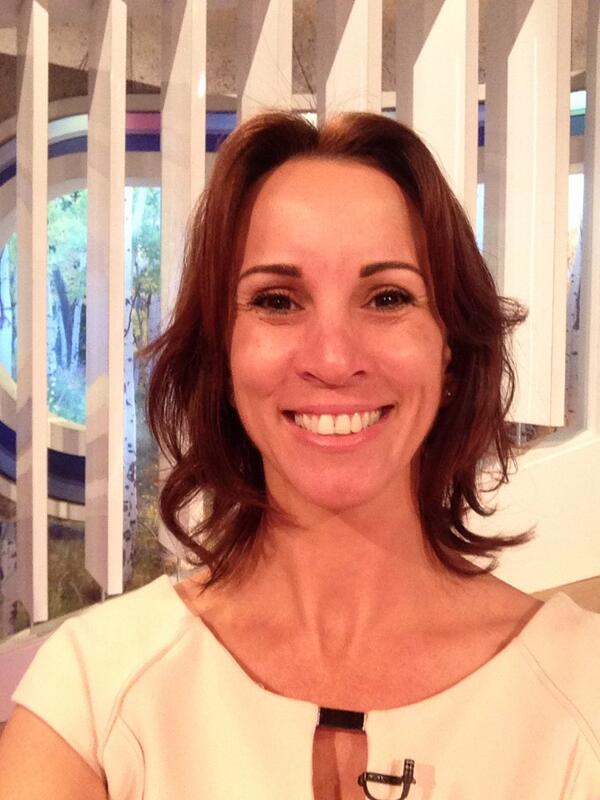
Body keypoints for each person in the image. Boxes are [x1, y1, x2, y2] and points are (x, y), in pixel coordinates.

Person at [0, 111, 599, 799]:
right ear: (223, 355)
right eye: (278, 301)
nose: (333, 359)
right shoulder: (93, 693)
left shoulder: (583, 689)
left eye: (388, 297)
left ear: (452, 353)